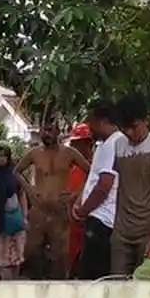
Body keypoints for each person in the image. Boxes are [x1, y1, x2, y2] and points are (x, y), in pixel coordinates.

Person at [15, 122, 91, 278]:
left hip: (59, 210)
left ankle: (59, 290)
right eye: (43, 131)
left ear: (58, 132)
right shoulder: (35, 153)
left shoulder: (69, 153)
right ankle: (35, 287)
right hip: (39, 209)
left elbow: (91, 172)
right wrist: (29, 190)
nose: (46, 134)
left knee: (60, 257)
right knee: (32, 252)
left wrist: (76, 194)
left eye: (49, 130)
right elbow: (16, 171)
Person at [111, 94, 150, 276]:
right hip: (121, 232)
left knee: (147, 289)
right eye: (125, 129)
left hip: (148, 231)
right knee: (116, 286)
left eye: (134, 127)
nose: (130, 133)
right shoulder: (118, 146)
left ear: (145, 120)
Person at [73, 103, 122, 279]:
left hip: (102, 219)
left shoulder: (113, 144)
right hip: (99, 217)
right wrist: (81, 200)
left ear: (102, 121)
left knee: (93, 275)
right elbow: (94, 179)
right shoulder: (105, 144)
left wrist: (84, 210)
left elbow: (104, 185)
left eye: (91, 121)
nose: (89, 127)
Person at [0, 145, 30, 279]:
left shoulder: (15, 175)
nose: (2, 159)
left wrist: (24, 217)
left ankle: (13, 283)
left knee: (15, 257)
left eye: (5, 156)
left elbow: (22, 195)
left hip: (14, 222)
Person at [64, 122, 95, 276]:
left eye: (79, 144)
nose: (76, 148)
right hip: (70, 224)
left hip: (90, 222)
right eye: (74, 144)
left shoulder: (98, 166)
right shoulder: (71, 168)